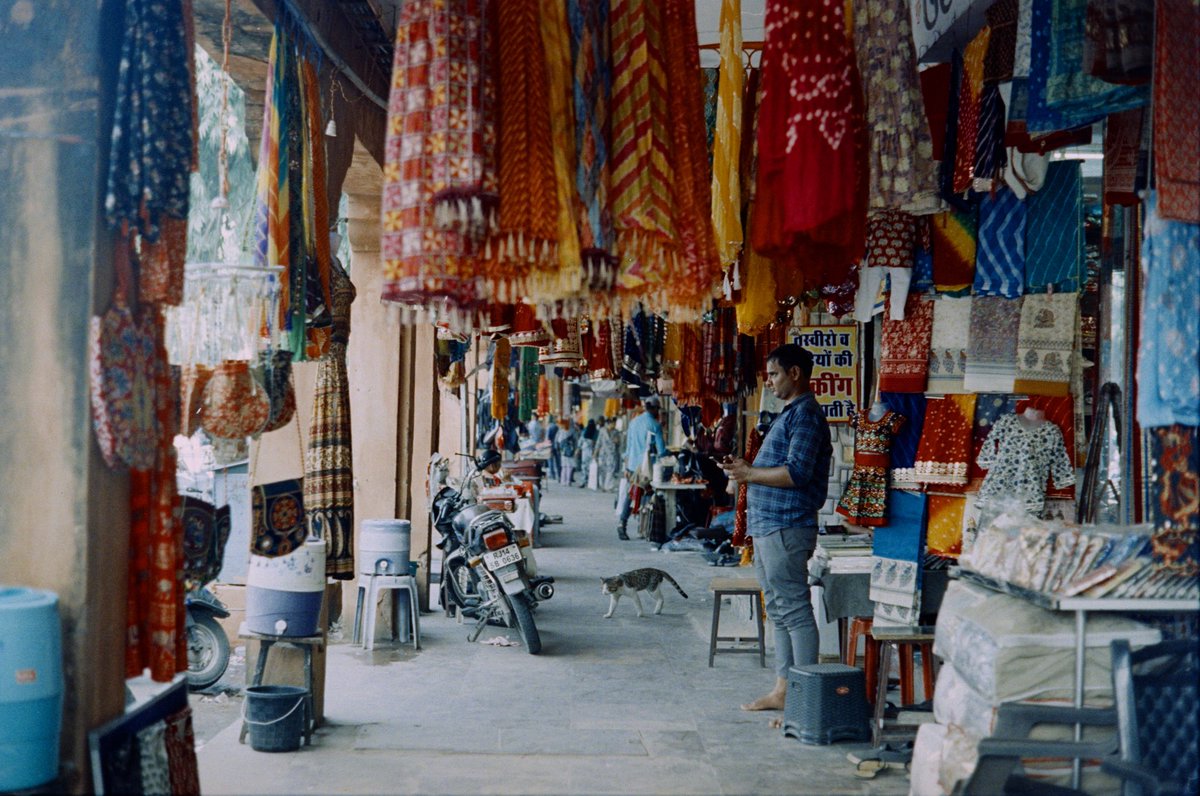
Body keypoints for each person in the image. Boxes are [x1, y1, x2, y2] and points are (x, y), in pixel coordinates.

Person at [719, 344, 832, 712]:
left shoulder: (807, 416)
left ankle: (807, 699)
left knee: (794, 609)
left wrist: (750, 473)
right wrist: (744, 472)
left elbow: (797, 473)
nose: (769, 381)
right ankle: (785, 690)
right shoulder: (790, 415)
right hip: (769, 526)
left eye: (774, 374)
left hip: (787, 526)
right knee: (780, 610)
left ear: (795, 373)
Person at [616, 399, 667, 540]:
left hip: (632, 465)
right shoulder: (655, 425)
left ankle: (624, 524)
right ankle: (642, 526)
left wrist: (626, 465)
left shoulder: (634, 422)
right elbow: (662, 451)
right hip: (646, 468)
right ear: (655, 409)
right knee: (647, 494)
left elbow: (628, 446)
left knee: (632, 493)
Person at [594, 418, 619, 492]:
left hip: (612, 453)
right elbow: (598, 442)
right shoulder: (602, 431)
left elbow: (619, 442)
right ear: (608, 424)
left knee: (611, 470)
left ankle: (609, 486)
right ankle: (602, 485)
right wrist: (595, 452)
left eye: (615, 424)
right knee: (602, 470)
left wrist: (617, 441)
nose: (614, 425)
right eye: (613, 424)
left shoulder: (616, 432)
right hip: (603, 453)